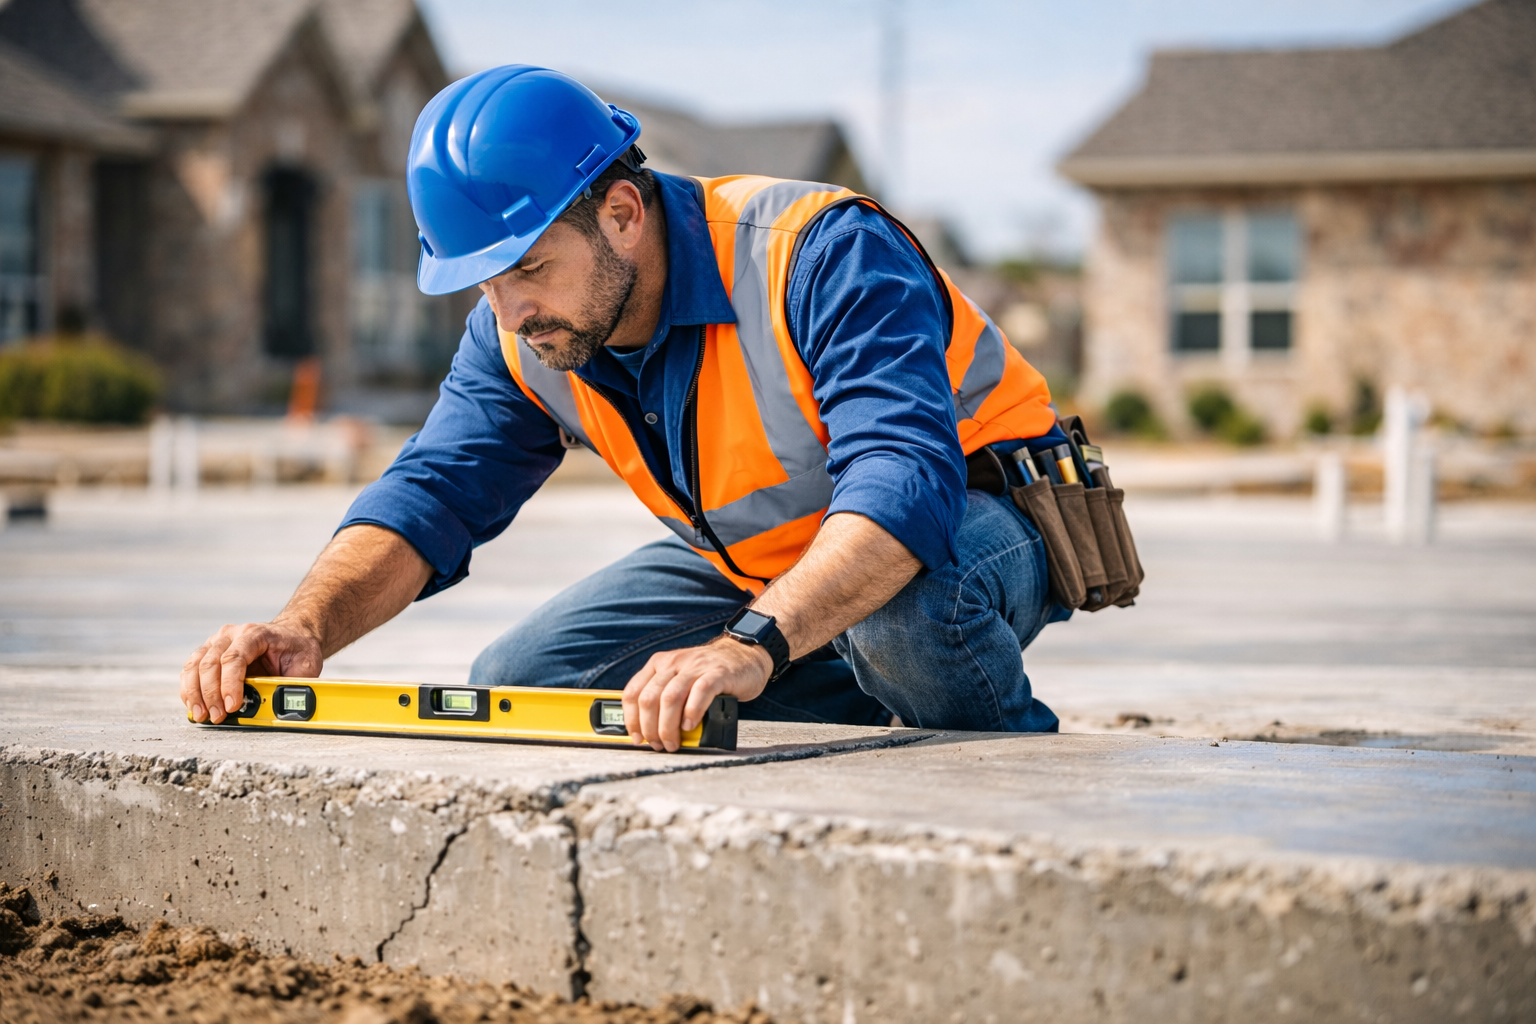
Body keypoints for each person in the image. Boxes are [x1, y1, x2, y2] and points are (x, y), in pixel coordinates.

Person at [179, 66, 1072, 752]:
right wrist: (303, 626)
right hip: (763, 568)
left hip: (977, 518)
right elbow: (433, 491)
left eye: (529, 268)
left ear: (621, 213)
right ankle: (854, 689)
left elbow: (902, 484)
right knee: (524, 683)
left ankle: (1012, 765)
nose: (510, 312)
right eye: (484, 285)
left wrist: (750, 647)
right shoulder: (525, 333)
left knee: (905, 621)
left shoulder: (818, 252)